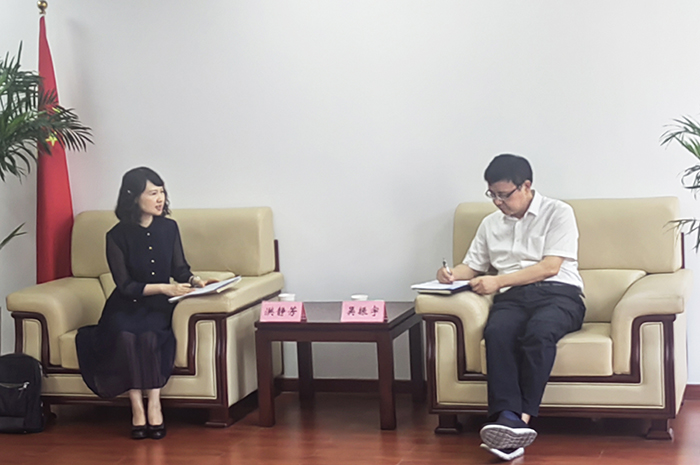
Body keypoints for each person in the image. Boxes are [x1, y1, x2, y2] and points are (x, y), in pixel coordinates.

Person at [437, 154, 585, 461]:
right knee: (497, 332)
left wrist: (498, 280)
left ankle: (518, 421)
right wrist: (450, 274)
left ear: (526, 186)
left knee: (538, 334)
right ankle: (506, 416)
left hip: (559, 295)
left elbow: (550, 267)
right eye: (492, 194)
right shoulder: (490, 224)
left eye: (504, 195)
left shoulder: (558, 212)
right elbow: (472, 265)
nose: (498, 202)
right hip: (512, 299)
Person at [76, 167, 215, 440]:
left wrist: (196, 281)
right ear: (133, 196)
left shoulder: (169, 228)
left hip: (158, 307)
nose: (160, 198)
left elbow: (180, 268)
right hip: (125, 305)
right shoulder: (116, 236)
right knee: (126, 336)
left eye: (162, 192)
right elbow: (125, 285)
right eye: (153, 193)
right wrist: (164, 287)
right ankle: (136, 408)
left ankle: (154, 404)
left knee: (150, 336)